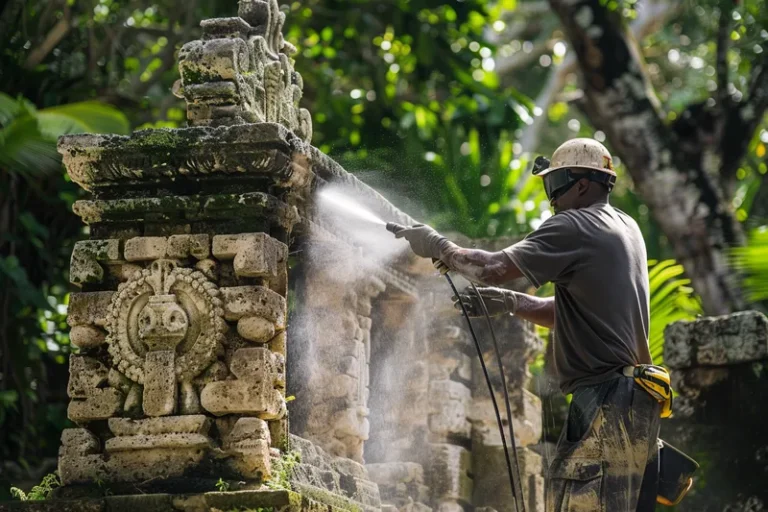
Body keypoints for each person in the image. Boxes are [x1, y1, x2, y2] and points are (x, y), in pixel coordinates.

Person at [393, 138, 661, 511]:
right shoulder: (626, 227)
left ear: (581, 184)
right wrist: (513, 302)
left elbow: (491, 268)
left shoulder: (576, 224)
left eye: (554, 185)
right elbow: (581, 311)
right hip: (634, 399)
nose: (552, 199)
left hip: (605, 399)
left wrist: (438, 245)